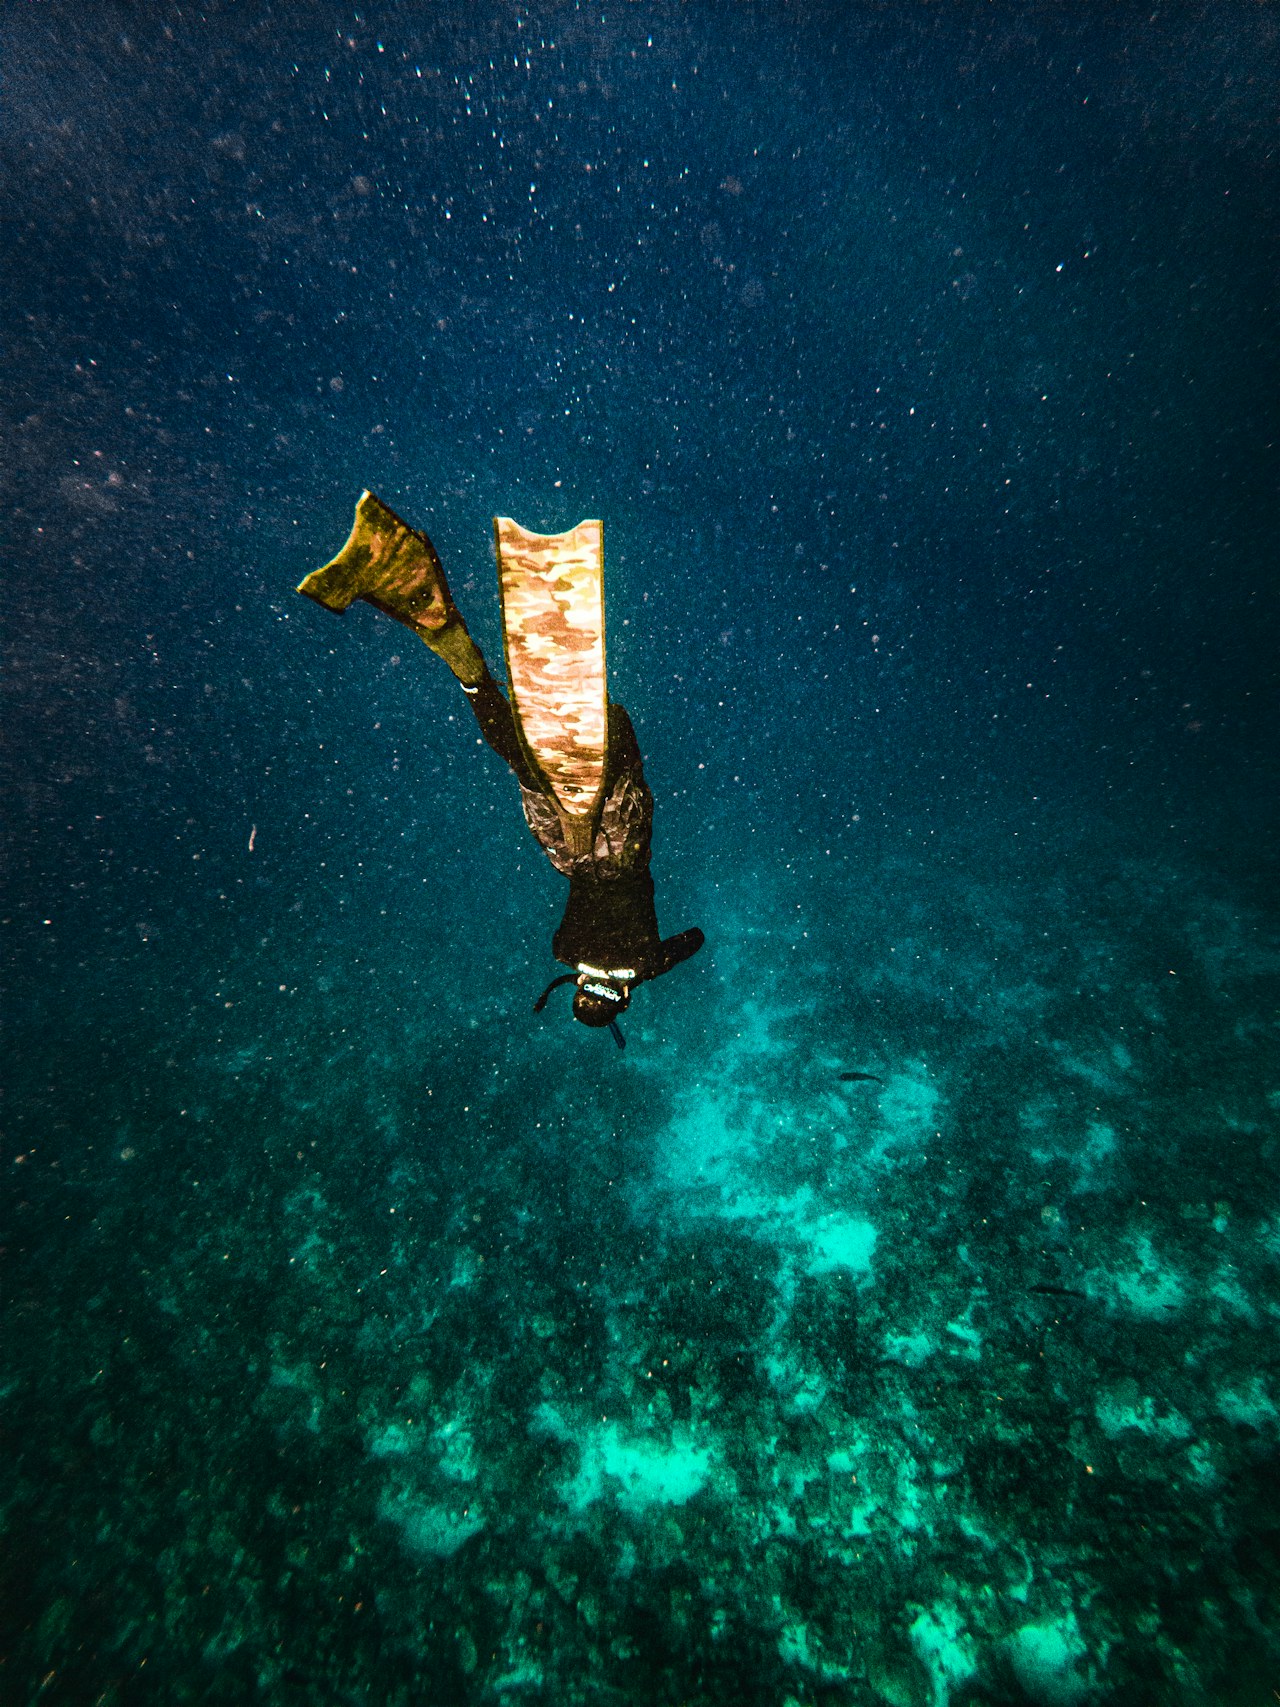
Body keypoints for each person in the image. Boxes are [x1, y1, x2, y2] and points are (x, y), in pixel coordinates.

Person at [298, 492, 703, 1047]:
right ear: (582, 987)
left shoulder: (643, 964)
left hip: (619, 849)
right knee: (523, 758)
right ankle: (464, 663)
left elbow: (695, 939)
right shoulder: (565, 950)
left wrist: (650, 967)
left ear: (618, 998)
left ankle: (603, 728)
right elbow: (611, 947)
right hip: (563, 850)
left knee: (616, 757)